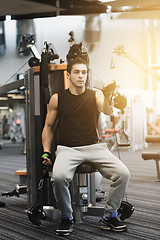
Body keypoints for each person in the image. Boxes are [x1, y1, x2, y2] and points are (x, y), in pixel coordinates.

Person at [41, 57, 130, 236]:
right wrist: (46, 152)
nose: (81, 76)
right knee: (58, 178)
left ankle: (109, 215)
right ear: (68, 75)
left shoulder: (95, 95)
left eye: (84, 72)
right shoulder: (57, 98)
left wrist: (107, 93)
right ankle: (67, 217)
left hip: (94, 147)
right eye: (76, 72)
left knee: (123, 173)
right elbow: (48, 127)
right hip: (68, 149)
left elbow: (107, 110)